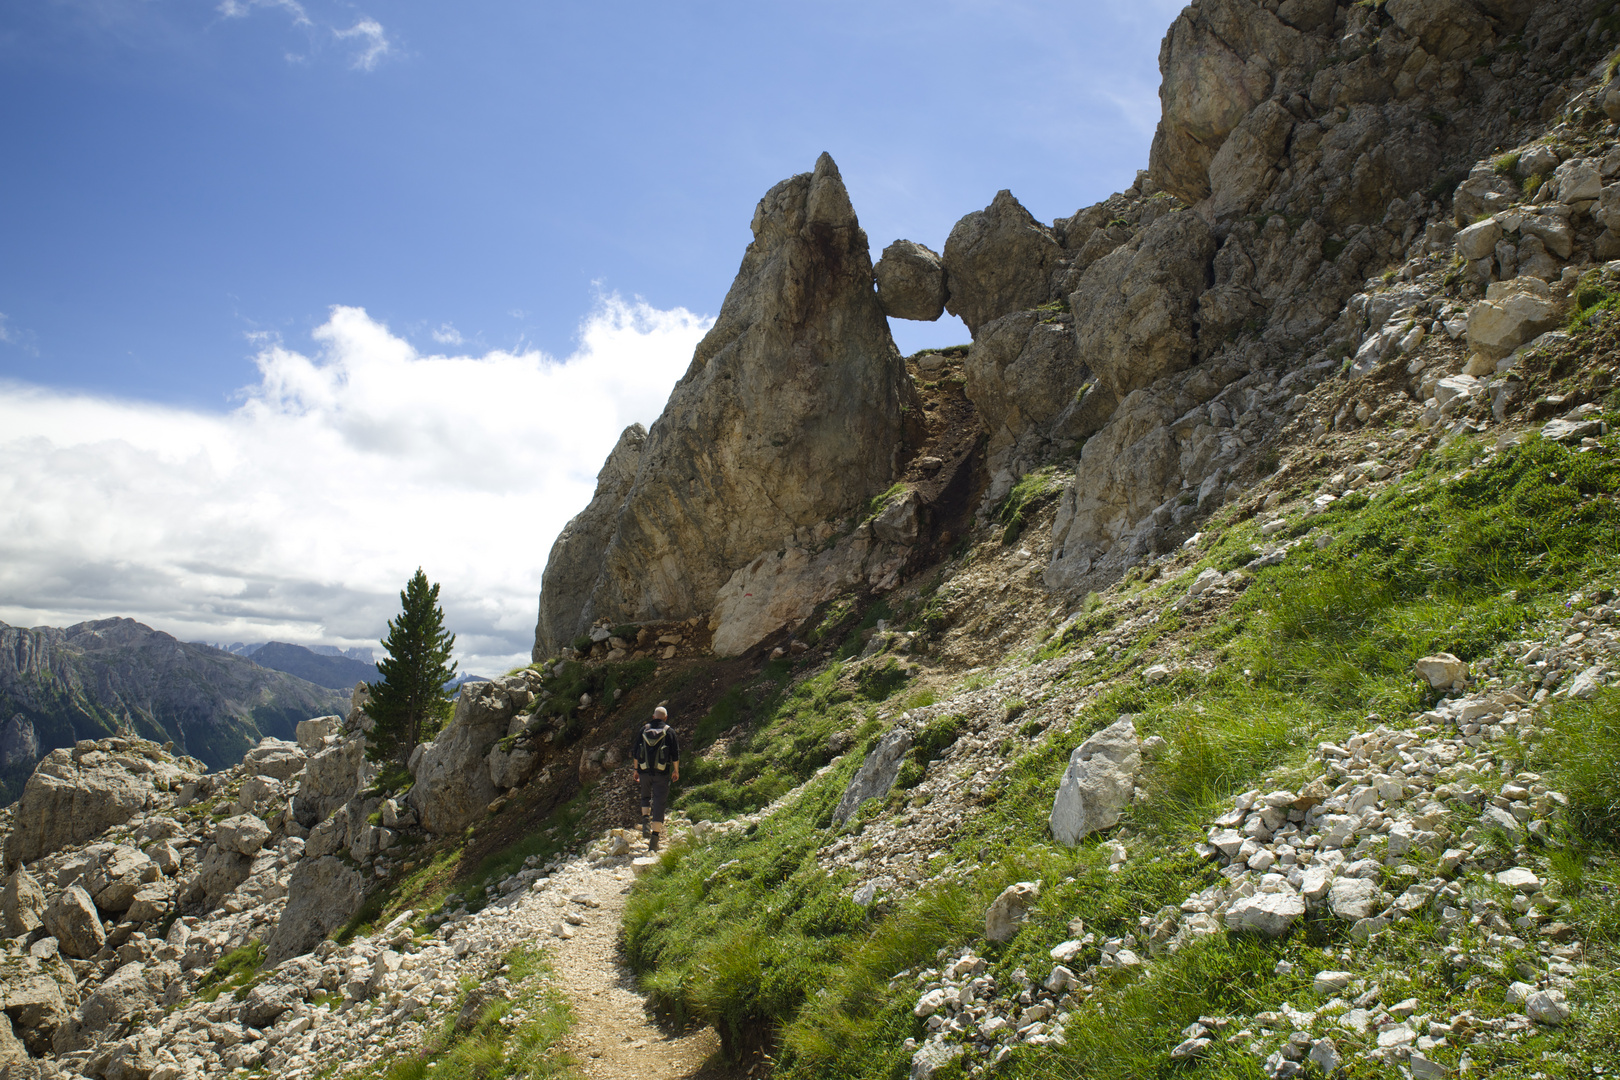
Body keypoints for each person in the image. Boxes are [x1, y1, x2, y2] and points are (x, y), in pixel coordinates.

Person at [630, 705, 680, 850]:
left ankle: (645, 820)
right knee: (659, 802)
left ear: (653, 717)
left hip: (644, 770)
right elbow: (675, 754)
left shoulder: (643, 730)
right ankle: (654, 840)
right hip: (662, 773)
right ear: (665, 718)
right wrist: (676, 771)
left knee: (645, 796)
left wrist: (635, 769)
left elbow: (635, 752)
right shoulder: (669, 731)